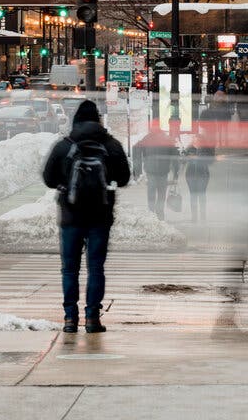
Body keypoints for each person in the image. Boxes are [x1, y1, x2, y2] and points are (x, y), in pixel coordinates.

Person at [43, 100, 130, 334]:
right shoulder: (111, 145)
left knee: (70, 270)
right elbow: (123, 178)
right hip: (100, 217)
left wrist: (67, 183)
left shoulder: (65, 145)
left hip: (71, 216)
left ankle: (70, 319)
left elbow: (49, 179)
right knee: (95, 268)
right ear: (98, 120)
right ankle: (92, 319)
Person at [134, 122, 179, 220]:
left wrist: (137, 171)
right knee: (161, 194)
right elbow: (175, 157)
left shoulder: (147, 138)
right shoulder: (167, 139)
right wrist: (176, 173)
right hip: (163, 172)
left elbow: (136, 149)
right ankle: (160, 214)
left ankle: (151, 214)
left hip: (151, 172)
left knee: (151, 194)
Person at [184, 134, 215, 223]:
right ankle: (194, 218)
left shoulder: (206, 149)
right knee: (193, 196)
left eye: (197, 140)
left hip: (203, 175)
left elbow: (211, 161)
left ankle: (203, 217)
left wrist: (200, 158)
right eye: (194, 139)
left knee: (202, 195)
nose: (195, 141)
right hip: (190, 175)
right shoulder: (189, 149)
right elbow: (183, 160)